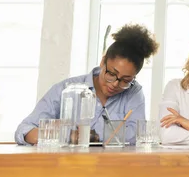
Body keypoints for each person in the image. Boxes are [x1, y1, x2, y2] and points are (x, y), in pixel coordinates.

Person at [15, 23, 159, 145]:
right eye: (111, 74)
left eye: (125, 80)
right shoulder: (67, 88)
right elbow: (24, 130)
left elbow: (134, 136)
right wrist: (64, 135)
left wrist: (91, 136)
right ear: (103, 61)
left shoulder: (134, 92)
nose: (115, 84)